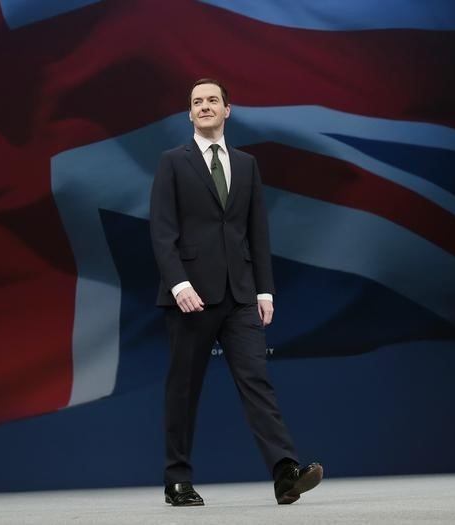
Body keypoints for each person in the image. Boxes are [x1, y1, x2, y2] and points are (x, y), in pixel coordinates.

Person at [149, 78, 323, 506]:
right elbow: (161, 230)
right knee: (184, 388)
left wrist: (265, 289)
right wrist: (178, 283)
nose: (204, 106)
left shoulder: (246, 164)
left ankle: (285, 473)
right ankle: (177, 480)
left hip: (241, 295)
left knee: (257, 382)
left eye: (212, 100)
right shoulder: (172, 162)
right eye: (196, 102)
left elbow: (257, 232)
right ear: (189, 114)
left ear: (228, 109)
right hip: (190, 295)